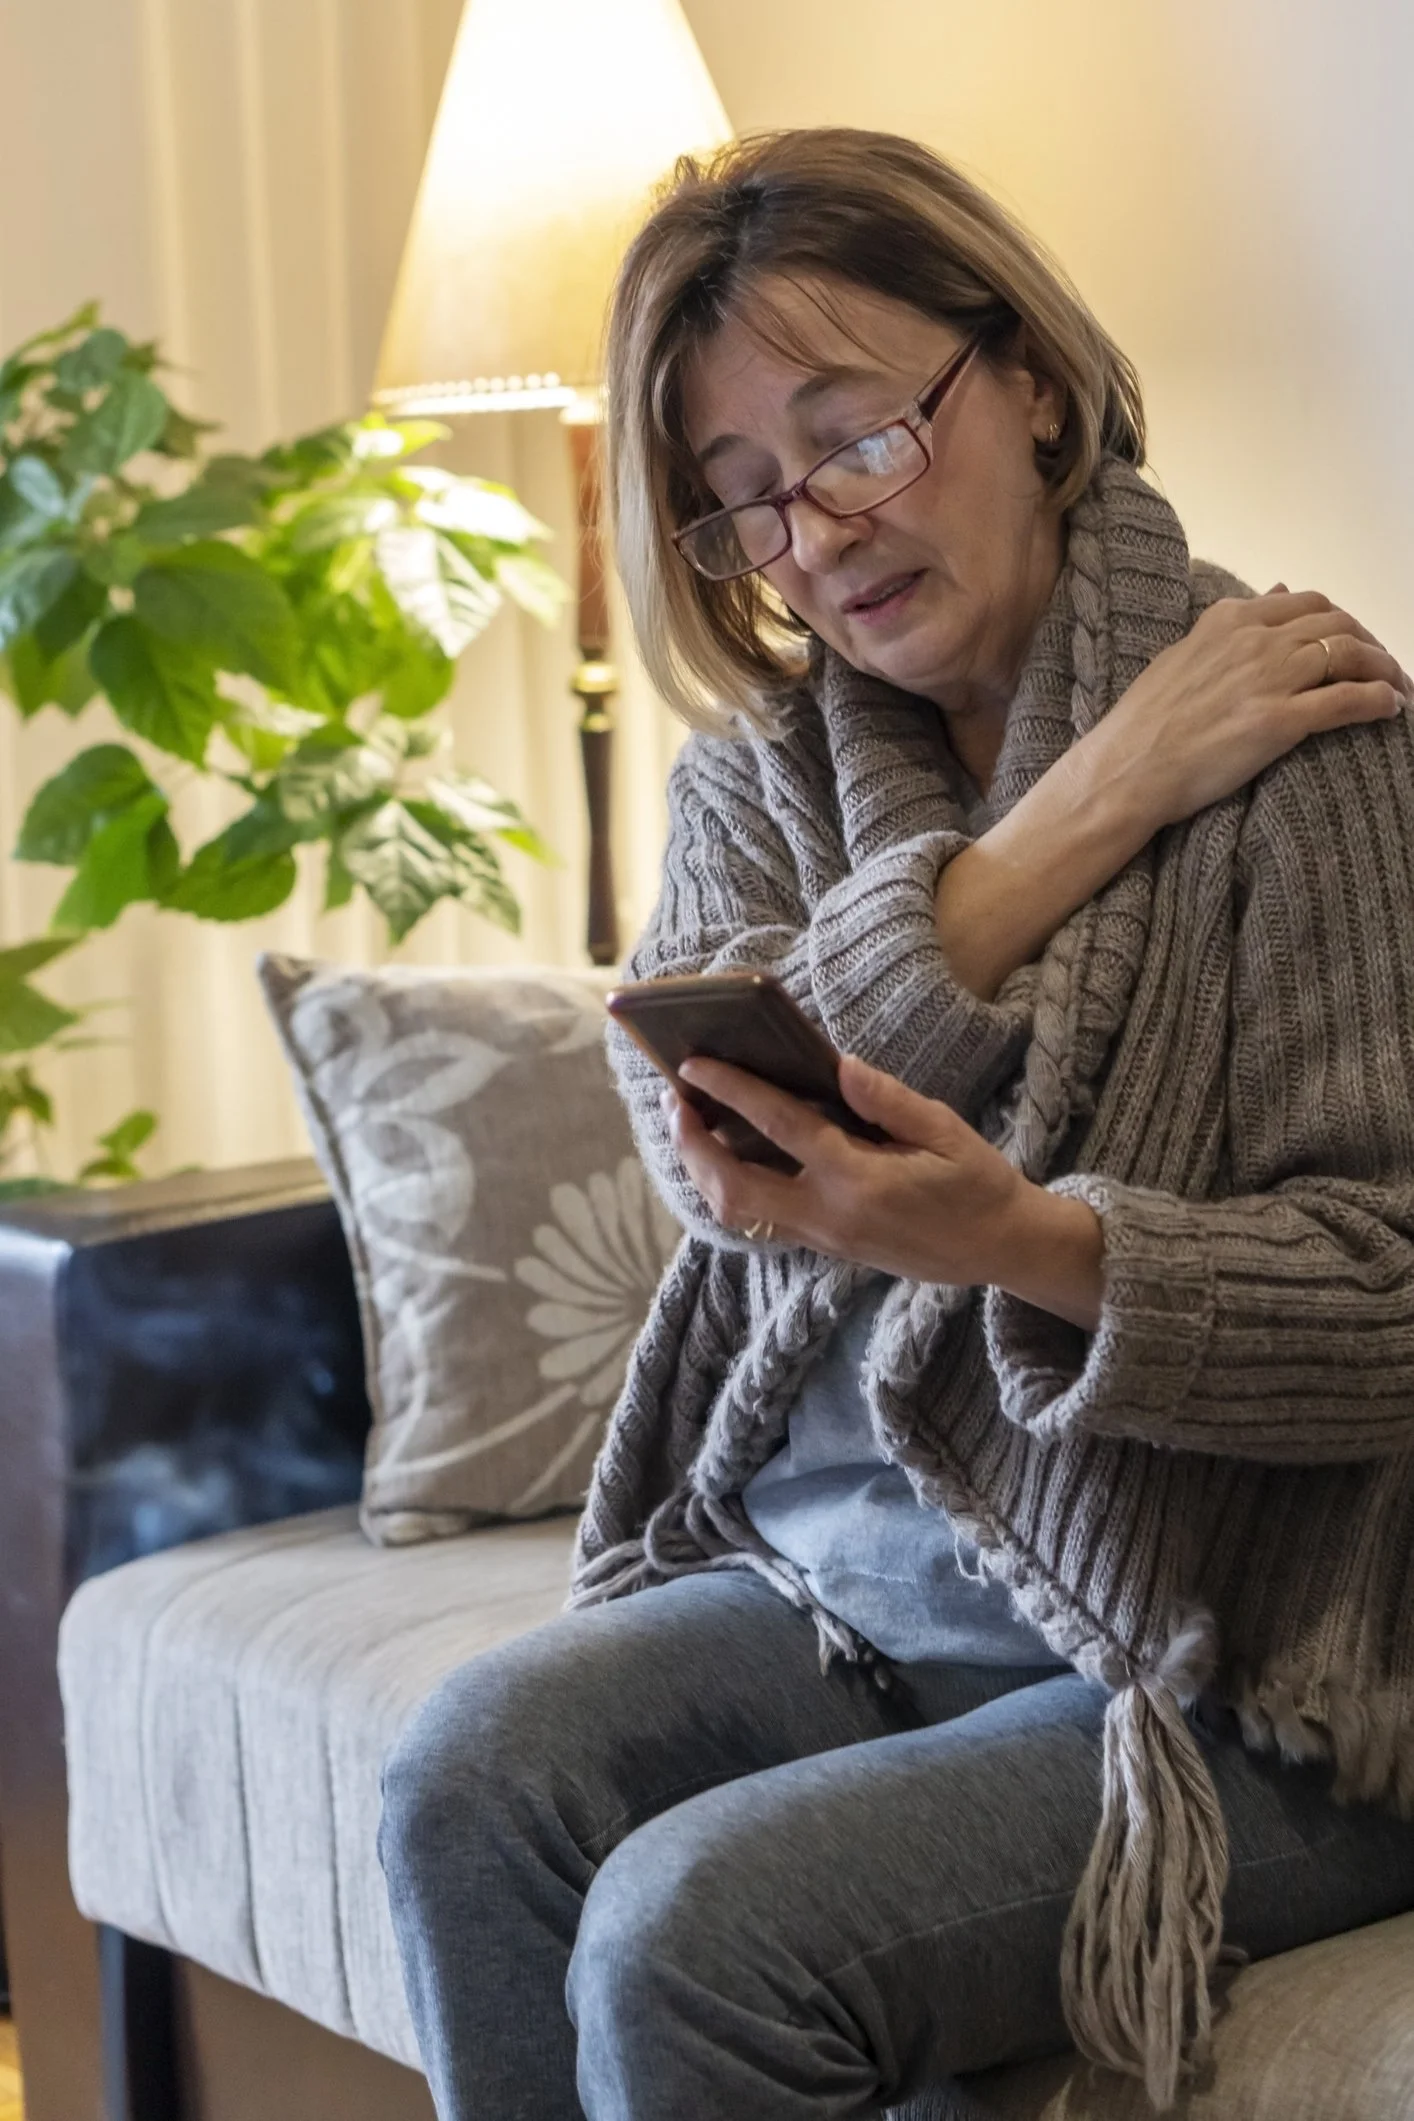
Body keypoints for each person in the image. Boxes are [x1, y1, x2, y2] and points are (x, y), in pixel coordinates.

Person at [380, 129, 1414, 2121]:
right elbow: (708, 1150)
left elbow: (1391, 1300)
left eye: (851, 436)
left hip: (1245, 1662)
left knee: (695, 1928)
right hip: (855, 1587)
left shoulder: (1304, 750)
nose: (814, 535)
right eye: (742, 500)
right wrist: (1074, 814)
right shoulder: (760, 792)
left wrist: (1023, 1246)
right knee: (467, 1780)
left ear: (1023, 376)